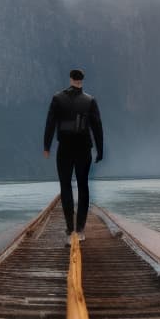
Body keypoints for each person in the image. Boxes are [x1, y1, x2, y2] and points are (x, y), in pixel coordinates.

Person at [43, 68, 103, 246]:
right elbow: (97, 127)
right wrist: (100, 150)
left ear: (70, 79)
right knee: (83, 186)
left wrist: (46, 146)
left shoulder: (57, 99)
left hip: (65, 150)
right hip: (84, 149)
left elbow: (50, 123)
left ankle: (70, 229)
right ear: (81, 81)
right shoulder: (90, 101)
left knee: (65, 186)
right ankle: (81, 229)